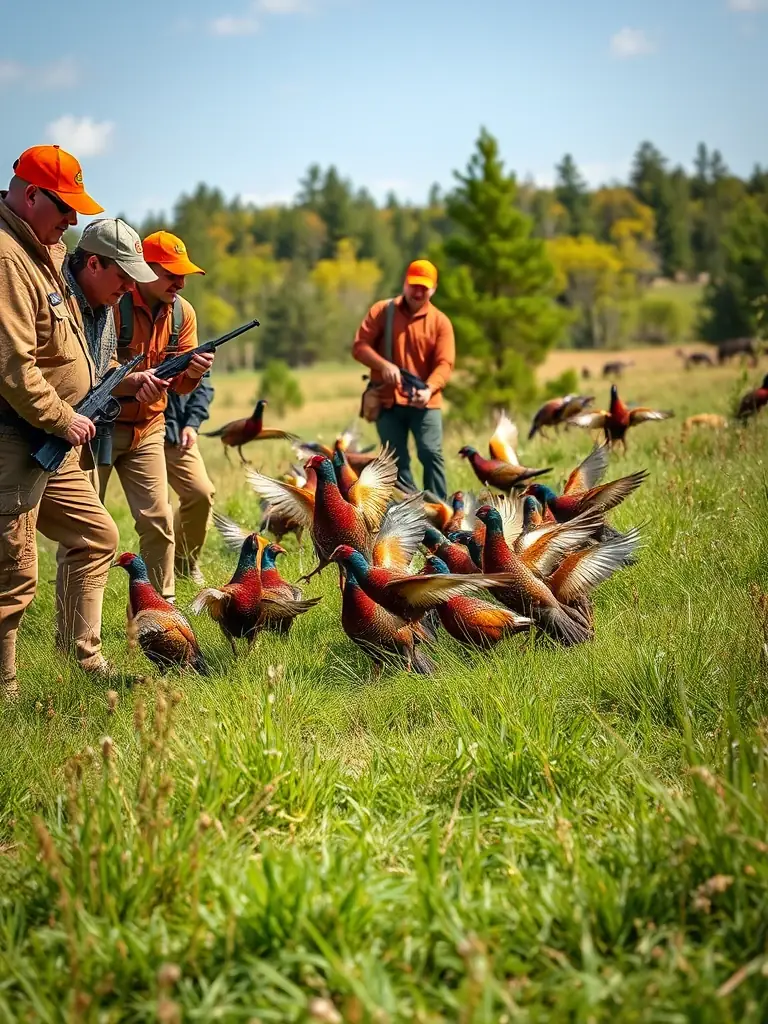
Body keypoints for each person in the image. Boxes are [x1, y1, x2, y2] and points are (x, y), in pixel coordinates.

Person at [0, 144, 120, 697]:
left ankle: (80, 660)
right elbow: (11, 365)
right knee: (12, 574)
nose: (73, 220)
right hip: (18, 438)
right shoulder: (6, 256)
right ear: (30, 194)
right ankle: (6, 693)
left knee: (96, 537)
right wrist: (62, 415)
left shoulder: (40, 248)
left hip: (50, 440)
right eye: (64, 206)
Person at [99, 230, 213, 602]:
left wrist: (194, 372)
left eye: (183, 276)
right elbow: (92, 370)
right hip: (100, 426)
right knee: (90, 528)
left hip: (149, 427)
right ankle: (85, 608)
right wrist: (132, 383)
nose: (180, 283)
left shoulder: (184, 313)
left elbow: (181, 387)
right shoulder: (112, 305)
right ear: (145, 269)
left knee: (159, 521)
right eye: (171, 274)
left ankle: (163, 609)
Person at [352, 259, 455, 500]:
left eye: (424, 287)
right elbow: (359, 347)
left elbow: (445, 364)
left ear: (434, 288)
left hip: (425, 401)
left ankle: (440, 511)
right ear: (405, 283)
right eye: (414, 285)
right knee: (396, 463)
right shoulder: (381, 312)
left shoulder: (441, 323)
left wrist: (429, 389)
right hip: (387, 401)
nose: (418, 292)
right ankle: (411, 513)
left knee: (431, 453)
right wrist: (383, 365)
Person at [164, 369, 216, 585]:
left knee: (201, 493)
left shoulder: (184, 336)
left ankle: (184, 565)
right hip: (113, 428)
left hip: (175, 433)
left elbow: (203, 386)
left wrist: (192, 424)